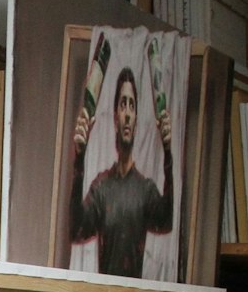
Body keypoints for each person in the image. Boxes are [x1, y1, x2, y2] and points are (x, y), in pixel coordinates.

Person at [69, 66, 173, 278]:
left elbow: (166, 221)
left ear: (136, 119)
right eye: (122, 104)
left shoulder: (145, 190)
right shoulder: (102, 187)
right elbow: (77, 229)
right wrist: (79, 158)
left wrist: (168, 152)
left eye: (132, 106)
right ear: (115, 117)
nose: (127, 113)